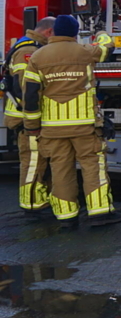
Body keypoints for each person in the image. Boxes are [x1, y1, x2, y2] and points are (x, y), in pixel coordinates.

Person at [22, 15, 121, 228]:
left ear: (54, 31)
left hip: (51, 129)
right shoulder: (84, 51)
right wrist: (102, 32)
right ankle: (100, 212)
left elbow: (30, 95)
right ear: (75, 33)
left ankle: (66, 216)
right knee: (92, 166)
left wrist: (32, 126)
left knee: (60, 170)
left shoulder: (38, 57)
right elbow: (107, 48)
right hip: (84, 126)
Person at [3, 16, 56, 216]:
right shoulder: (28, 51)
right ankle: (32, 203)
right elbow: (23, 88)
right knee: (34, 161)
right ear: (49, 32)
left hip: (26, 117)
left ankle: (39, 199)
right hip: (25, 118)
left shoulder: (32, 47)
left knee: (38, 160)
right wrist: (33, 118)